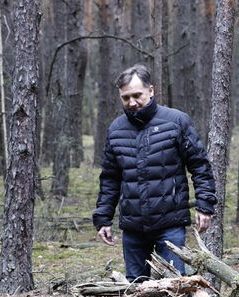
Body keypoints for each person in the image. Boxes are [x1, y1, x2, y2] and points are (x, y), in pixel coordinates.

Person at [93, 64, 217, 282]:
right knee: (135, 290)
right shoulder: (116, 129)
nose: (132, 103)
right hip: (133, 227)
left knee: (174, 287)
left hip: (170, 224)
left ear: (151, 91)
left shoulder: (176, 121)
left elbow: (199, 165)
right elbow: (110, 178)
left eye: (137, 95)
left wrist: (205, 205)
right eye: (126, 98)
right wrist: (103, 218)